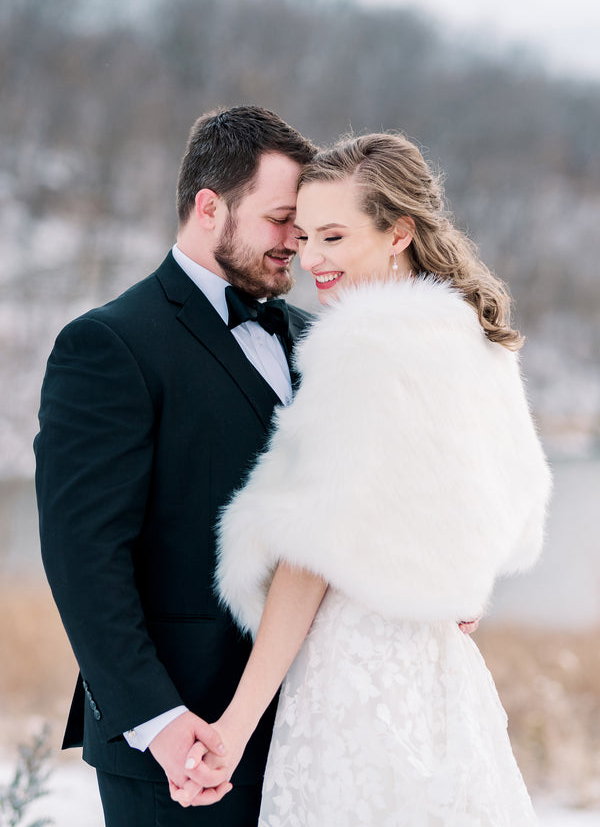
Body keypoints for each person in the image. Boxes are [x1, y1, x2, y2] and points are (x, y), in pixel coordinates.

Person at [178, 133, 552, 824]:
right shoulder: (475, 342)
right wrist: (460, 574)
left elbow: (307, 558)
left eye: (333, 235)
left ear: (397, 233)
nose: (310, 257)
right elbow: (514, 502)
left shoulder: (363, 347)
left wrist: (233, 728)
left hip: (353, 678)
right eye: (303, 234)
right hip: (441, 676)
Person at [34, 105, 316, 826]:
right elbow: (84, 556)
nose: (299, 241)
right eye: (281, 219)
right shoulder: (109, 345)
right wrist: (157, 720)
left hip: (317, 727)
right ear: (208, 205)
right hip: (180, 746)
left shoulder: (324, 340)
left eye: (306, 223)